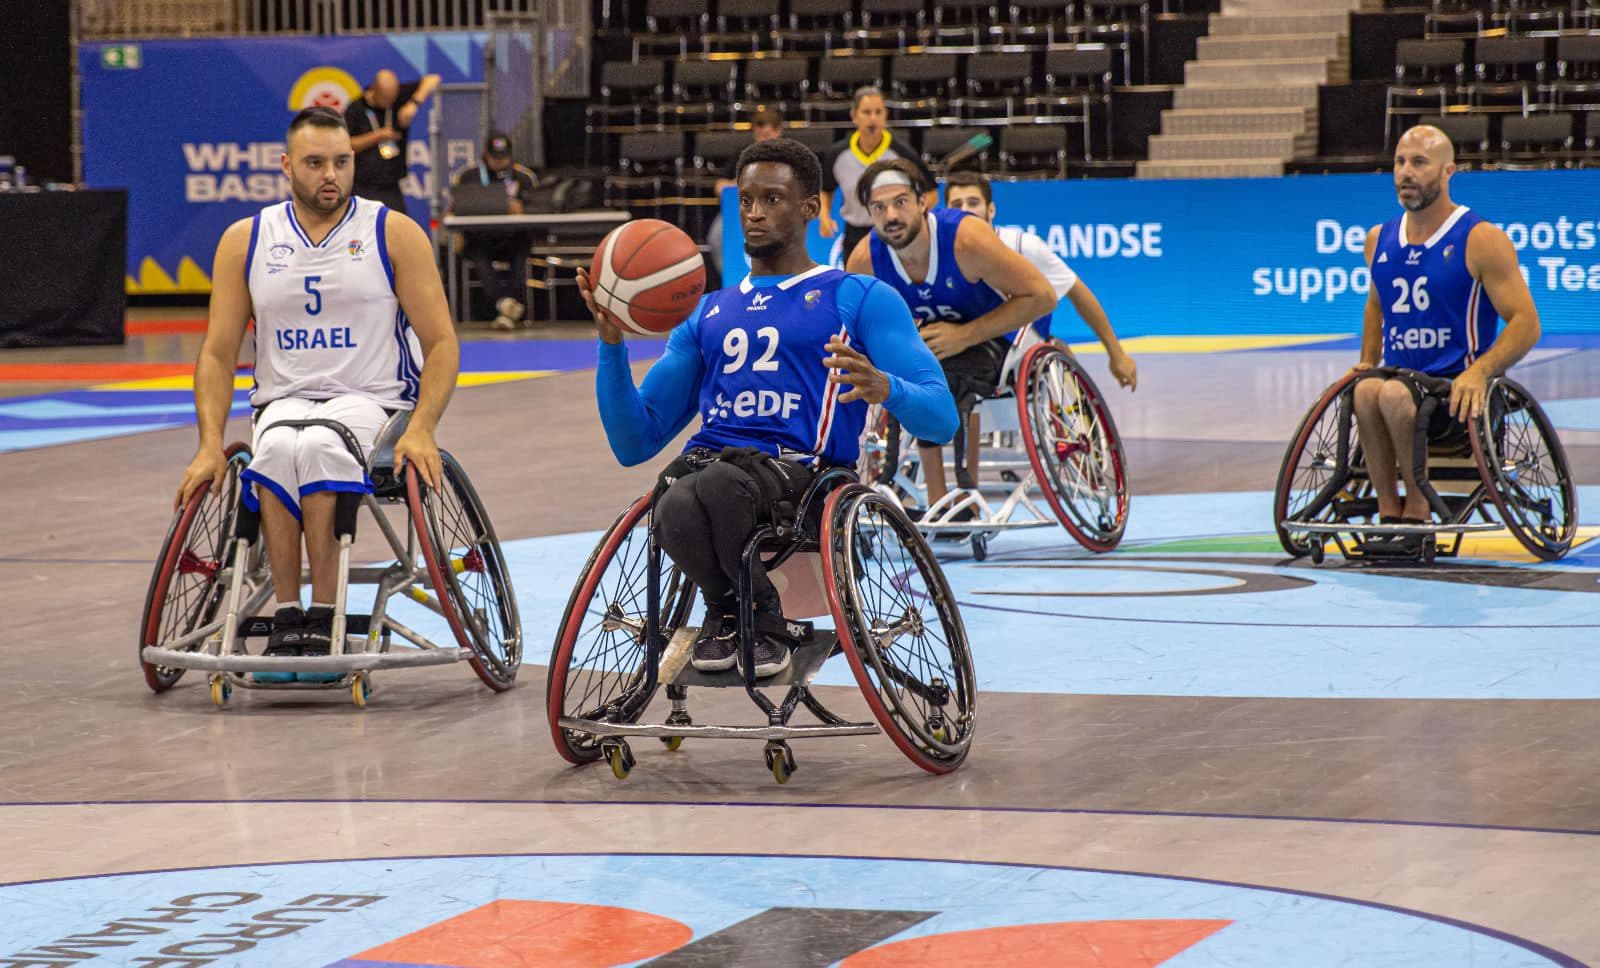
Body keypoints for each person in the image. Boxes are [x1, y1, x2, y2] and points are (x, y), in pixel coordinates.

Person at [575, 139, 958, 679]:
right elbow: (632, 442)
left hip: (803, 472)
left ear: (809, 208)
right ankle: (728, 614)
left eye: (773, 199)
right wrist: (611, 344)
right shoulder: (707, 312)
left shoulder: (858, 297)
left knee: (709, 486)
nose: (755, 213)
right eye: (747, 201)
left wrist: (884, 386)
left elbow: (942, 416)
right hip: (711, 467)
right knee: (673, 498)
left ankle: (760, 617)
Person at [174, 106, 459, 680]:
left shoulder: (392, 231)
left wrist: (424, 426)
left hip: (373, 401)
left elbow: (442, 341)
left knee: (320, 446)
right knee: (278, 447)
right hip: (284, 401)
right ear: (286, 167)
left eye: (341, 161)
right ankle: (288, 616)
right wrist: (209, 443)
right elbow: (217, 352)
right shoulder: (247, 240)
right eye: (315, 163)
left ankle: (324, 615)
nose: (330, 174)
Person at [1352, 124, 1540, 554]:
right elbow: (1376, 304)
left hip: (1457, 395)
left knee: (1394, 395)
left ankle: (1417, 511)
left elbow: (1526, 322)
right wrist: (1367, 358)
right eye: (1400, 162)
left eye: (1419, 162)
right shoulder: (1379, 239)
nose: (1405, 172)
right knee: (1367, 391)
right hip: (1399, 382)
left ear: (1448, 171)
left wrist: (1480, 371)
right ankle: (1388, 514)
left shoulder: (1480, 238)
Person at [845, 159, 1056, 515]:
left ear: (922, 201)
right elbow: (855, 335)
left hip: (1003, 334)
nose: (891, 215)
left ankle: (963, 493)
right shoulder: (865, 260)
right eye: (879, 208)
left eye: (900, 202)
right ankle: (934, 500)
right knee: (906, 374)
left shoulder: (966, 239)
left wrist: (966, 334)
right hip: (936, 345)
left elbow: (1042, 296)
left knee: (947, 372)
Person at [945, 170, 1136, 392]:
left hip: (1018, 343)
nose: (965, 211)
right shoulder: (939, 254)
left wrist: (1116, 354)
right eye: (956, 204)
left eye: (973, 203)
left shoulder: (1024, 246)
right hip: (968, 345)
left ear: (991, 210)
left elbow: (1077, 291)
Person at [819, 87, 936, 267]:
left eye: (878, 112)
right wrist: (824, 217)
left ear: (885, 115)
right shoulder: (838, 154)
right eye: (866, 112)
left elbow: (931, 192)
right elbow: (825, 189)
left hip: (894, 228)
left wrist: (913, 215)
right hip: (855, 233)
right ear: (854, 116)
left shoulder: (902, 153)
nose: (872, 118)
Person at [451, 131, 540, 329]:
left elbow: (540, 207)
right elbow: (452, 210)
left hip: (513, 238)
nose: (500, 162)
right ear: (485, 154)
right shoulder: (468, 176)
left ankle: (506, 309)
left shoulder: (524, 177)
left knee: (520, 257)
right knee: (480, 258)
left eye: (504, 157)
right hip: (480, 239)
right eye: (495, 158)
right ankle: (506, 305)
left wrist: (523, 209)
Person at [344, 68, 441, 214]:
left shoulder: (398, 99)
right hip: (363, 185)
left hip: (391, 185)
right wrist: (378, 136)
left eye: (393, 96)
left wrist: (413, 103)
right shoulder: (356, 108)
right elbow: (347, 145)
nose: (390, 101)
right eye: (385, 97)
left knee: (398, 227)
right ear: (374, 90)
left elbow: (433, 78)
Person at [707, 107, 784, 278]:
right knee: (716, 237)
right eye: (759, 129)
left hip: (778, 211)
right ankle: (734, 281)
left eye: (769, 130)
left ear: (779, 131)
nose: (764, 134)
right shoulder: (743, 155)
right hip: (742, 212)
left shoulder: (789, 156)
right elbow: (719, 186)